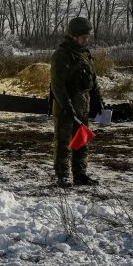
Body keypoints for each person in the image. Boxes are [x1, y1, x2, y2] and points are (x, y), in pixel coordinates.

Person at [50, 16, 103, 187]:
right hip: (65, 106)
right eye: (82, 38)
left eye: (87, 37)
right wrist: (67, 107)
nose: (85, 40)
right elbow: (58, 85)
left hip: (83, 105)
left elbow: (93, 80)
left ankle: (80, 174)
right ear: (73, 36)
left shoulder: (85, 54)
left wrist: (97, 100)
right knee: (63, 143)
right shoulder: (62, 55)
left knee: (81, 141)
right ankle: (63, 176)